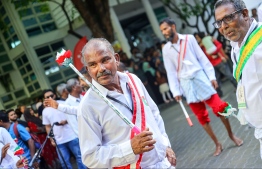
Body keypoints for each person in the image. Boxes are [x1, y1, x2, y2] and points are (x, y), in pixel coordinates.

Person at [78, 38, 176, 169]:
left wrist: (166, 145)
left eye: (105, 60)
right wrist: (130, 148)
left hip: (164, 163)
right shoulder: (88, 106)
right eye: (93, 65)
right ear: (88, 70)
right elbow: (90, 157)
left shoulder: (133, 80)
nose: (100, 69)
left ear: (116, 59)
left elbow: (154, 114)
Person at [159, 17, 243, 156]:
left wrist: (211, 76)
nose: (164, 32)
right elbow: (171, 72)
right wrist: (175, 91)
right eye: (162, 30)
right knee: (201, 117)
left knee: (220, 108)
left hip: (200, 78)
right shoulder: (166, 50)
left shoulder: (189, 39)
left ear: (173, 27)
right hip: (186, 84)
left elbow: (202, 58)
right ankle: (217, 143)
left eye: (166, 28)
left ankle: (231, 135)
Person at [214, 0, 262, 158]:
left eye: (228, 18)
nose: (223, 26)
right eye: (219, 22)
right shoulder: (236, 46)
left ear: (245, 14)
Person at [42, 89, 86, 169]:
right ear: (44, 99)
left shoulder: (63, 103)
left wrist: (66, 121)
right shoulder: (45, 111)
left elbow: (74, 116)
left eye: (51, 96)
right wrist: (51, 139)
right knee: (64, 162)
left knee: (80, 157)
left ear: (55, 95)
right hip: (59, 140)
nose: (50, 98)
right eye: (47, 97)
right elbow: (47, 126)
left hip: (71, 135)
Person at [194, 32, 237, 97]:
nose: (197, 39)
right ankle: (219, 94)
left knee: (229, 75)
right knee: (216, 79)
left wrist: (218, 54)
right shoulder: (199, 47)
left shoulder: (210, 40)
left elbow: (219, 46)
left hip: (219, 61)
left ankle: (237, 87)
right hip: (211, 65)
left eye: (197, 37)